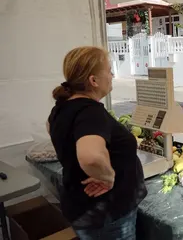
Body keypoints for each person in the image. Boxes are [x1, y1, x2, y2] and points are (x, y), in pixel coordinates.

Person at [47, 46, 147, 239]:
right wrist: (108, 176)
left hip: (82, 210)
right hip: (106, 215)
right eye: (109, 71)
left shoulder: (61, 108)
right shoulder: (91, 112)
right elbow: (90, 156)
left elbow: (51, 129)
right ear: (93, 81)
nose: (112, 75)